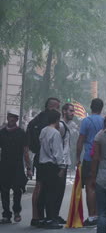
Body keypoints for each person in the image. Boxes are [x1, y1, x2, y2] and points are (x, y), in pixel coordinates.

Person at [27, 97, 60, 227]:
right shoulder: (48, 121)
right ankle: (47, 217)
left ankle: (36, 216)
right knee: (48, 189)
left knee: (39, 186)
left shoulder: (36, 120)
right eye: (57, 107)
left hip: (38, 157)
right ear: (52, 107)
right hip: (48, 158)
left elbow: (30, 140)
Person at [76, 98, 104, 227]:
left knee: (90, 187)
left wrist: (77, 157)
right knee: (100, 188)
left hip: (89, 158)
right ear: (101, 108)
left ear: (91, 107)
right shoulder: (105, 122)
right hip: (102, 159)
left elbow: (81, 140)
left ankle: (92, 216)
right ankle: (99, 214)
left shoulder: (86, 121)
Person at [37, 109, 67, 229]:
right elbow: (58, 152)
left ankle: (42, 217)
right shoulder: (55, 133)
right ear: (57, 120)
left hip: (42, 164)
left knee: (43, 192)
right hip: (51, 165)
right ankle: (50, 218)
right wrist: (61, 167)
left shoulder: (43, 131)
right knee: (52, 193)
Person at [0, 110, 30, 224]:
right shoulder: (2, 133)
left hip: (17, 166)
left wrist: (29, 168)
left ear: (17, 119)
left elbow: (26, 151)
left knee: (17, 190)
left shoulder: (21, 133)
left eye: (14, 117)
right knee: (4, 191)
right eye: (10, 117)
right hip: (4, 166)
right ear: (7, 117)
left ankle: (17, 211)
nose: (11, 119)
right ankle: (6, 215)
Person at [56, 103, 75, 225]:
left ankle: (55, 215)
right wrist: (61, 164)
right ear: (64, 111)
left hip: (65, 162)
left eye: (73, 111)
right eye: (70, 111)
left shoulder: (67, 125)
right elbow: (58, 146)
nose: (72, 113)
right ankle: (52, 215)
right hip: (60, 164)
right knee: (57, 190)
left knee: (60, 190)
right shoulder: (61, 126)